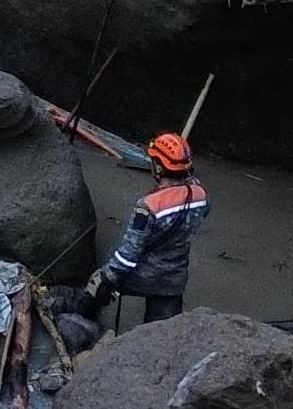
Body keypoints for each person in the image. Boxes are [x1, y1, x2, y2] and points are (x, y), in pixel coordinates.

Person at [86, 133, 210, 326]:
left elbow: (128, 255)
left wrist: (107, 279)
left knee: (97, 283)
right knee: (162, 331)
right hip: (174, 280)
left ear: (159, 167)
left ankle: (86, 319)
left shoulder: (148, 206)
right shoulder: (200, 195)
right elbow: (203, 209)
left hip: (143, 277)